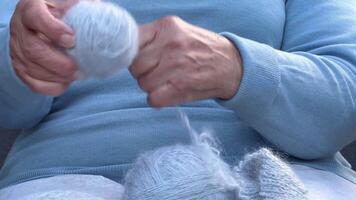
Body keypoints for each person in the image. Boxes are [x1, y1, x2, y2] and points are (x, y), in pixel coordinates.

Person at [0, 0, 356, 198]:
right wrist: (21, 54)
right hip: (63, 178)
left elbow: (343, 105)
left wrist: (237, 69)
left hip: (281, 170)